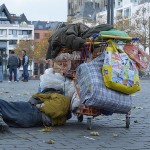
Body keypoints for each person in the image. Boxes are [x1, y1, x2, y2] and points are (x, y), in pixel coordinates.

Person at [0, 89, 71, 133]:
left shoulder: (61, 98)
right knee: (6, 115)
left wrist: (39, 105)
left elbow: (52, 109)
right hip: (29, 121)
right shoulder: (62, 117)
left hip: (30, 111)